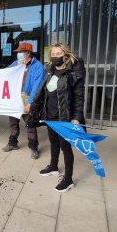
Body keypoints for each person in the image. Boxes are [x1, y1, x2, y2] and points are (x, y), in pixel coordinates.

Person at [36, 43, 85, 193]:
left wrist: (76, 117)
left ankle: (68, 179)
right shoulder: (49, 71)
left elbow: (78, 97)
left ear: (66, 55)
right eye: (53, 54)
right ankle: (53, 166)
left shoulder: (73, 73)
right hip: (50, 115)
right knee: (53, 142)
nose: (56, 56)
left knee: (65, 147)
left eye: (59, 54)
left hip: (65, 117)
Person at [2, 42, 45, 160]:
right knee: (13, 122)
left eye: (21, 52)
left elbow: (37, 86)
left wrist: (30, 102)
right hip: (15, 97)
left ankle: (34, 147)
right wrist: (16, 67)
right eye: (18, 53)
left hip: (27, 97)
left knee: (29, 123)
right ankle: (12, 143)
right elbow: (4, 74)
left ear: (28, 53)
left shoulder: (37, 66)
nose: (19, 55)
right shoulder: (16, 63)